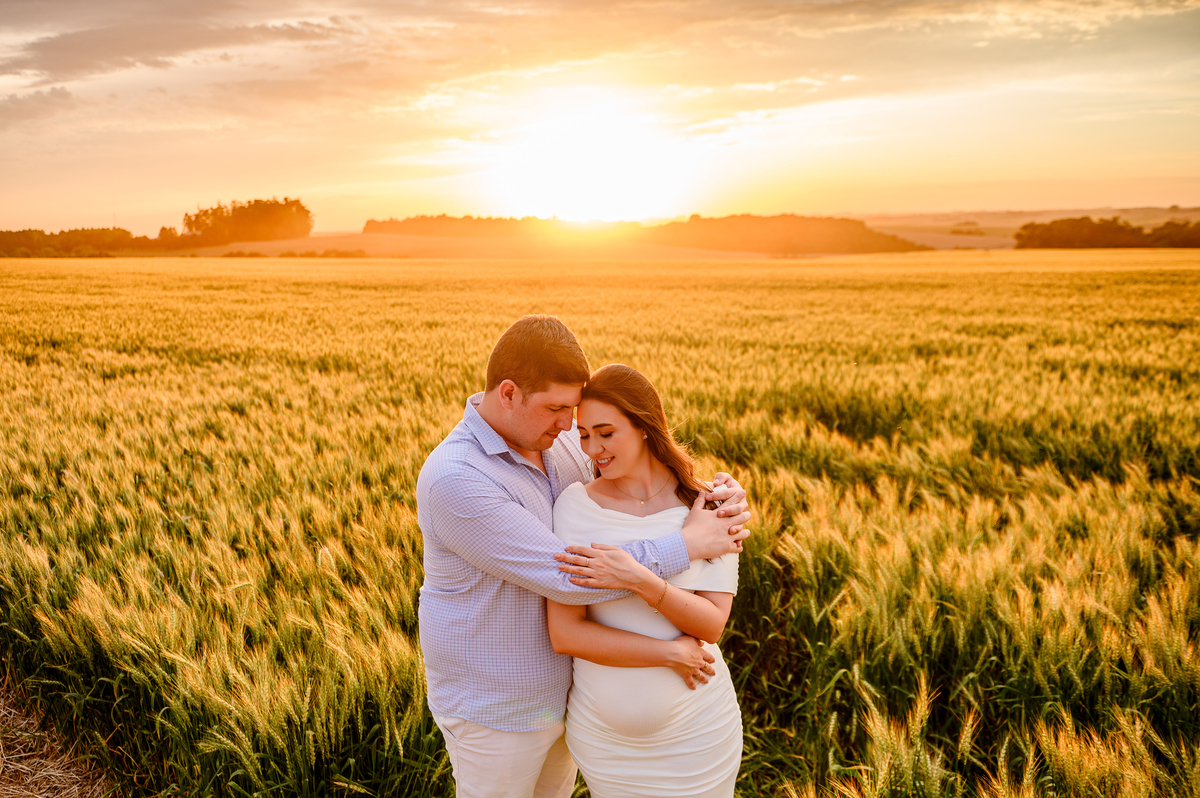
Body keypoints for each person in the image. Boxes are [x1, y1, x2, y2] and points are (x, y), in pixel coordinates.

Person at [415, 315, 752, 798]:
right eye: (556, 409)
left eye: (572, 412)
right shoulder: (458, 478)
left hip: (567, 702)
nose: (571, 429)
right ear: (508, 393)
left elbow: (641, 456)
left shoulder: (560, 442)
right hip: (499, 711)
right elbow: (568, 576)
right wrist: (689, 545)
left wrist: (724, 495)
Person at [547, 364, 742, 797]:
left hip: (699, 734)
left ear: (644, 427)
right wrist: (668, 653)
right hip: (607, 744)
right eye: (583, 435)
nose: (592, 448)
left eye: (606, 432)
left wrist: (639, 578)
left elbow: (710, 625)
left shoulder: (707, 505)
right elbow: (565, 633)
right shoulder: (575, 507)